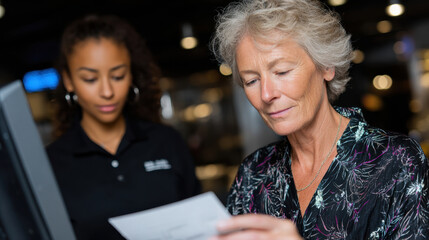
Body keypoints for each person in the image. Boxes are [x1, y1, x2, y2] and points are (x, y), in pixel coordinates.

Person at [209, 0, 429, 239]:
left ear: (326, 67)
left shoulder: (395, 161)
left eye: (282, 72)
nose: (266, 94)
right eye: (251, 80)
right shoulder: (254, 174)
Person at [46, 14, 200, 240]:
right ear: (69, 81)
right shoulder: (51, 164)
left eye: (118, 76)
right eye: (90, 79)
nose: (107, 91)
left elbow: (201, 224)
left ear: (131, 76)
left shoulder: (167, 142)